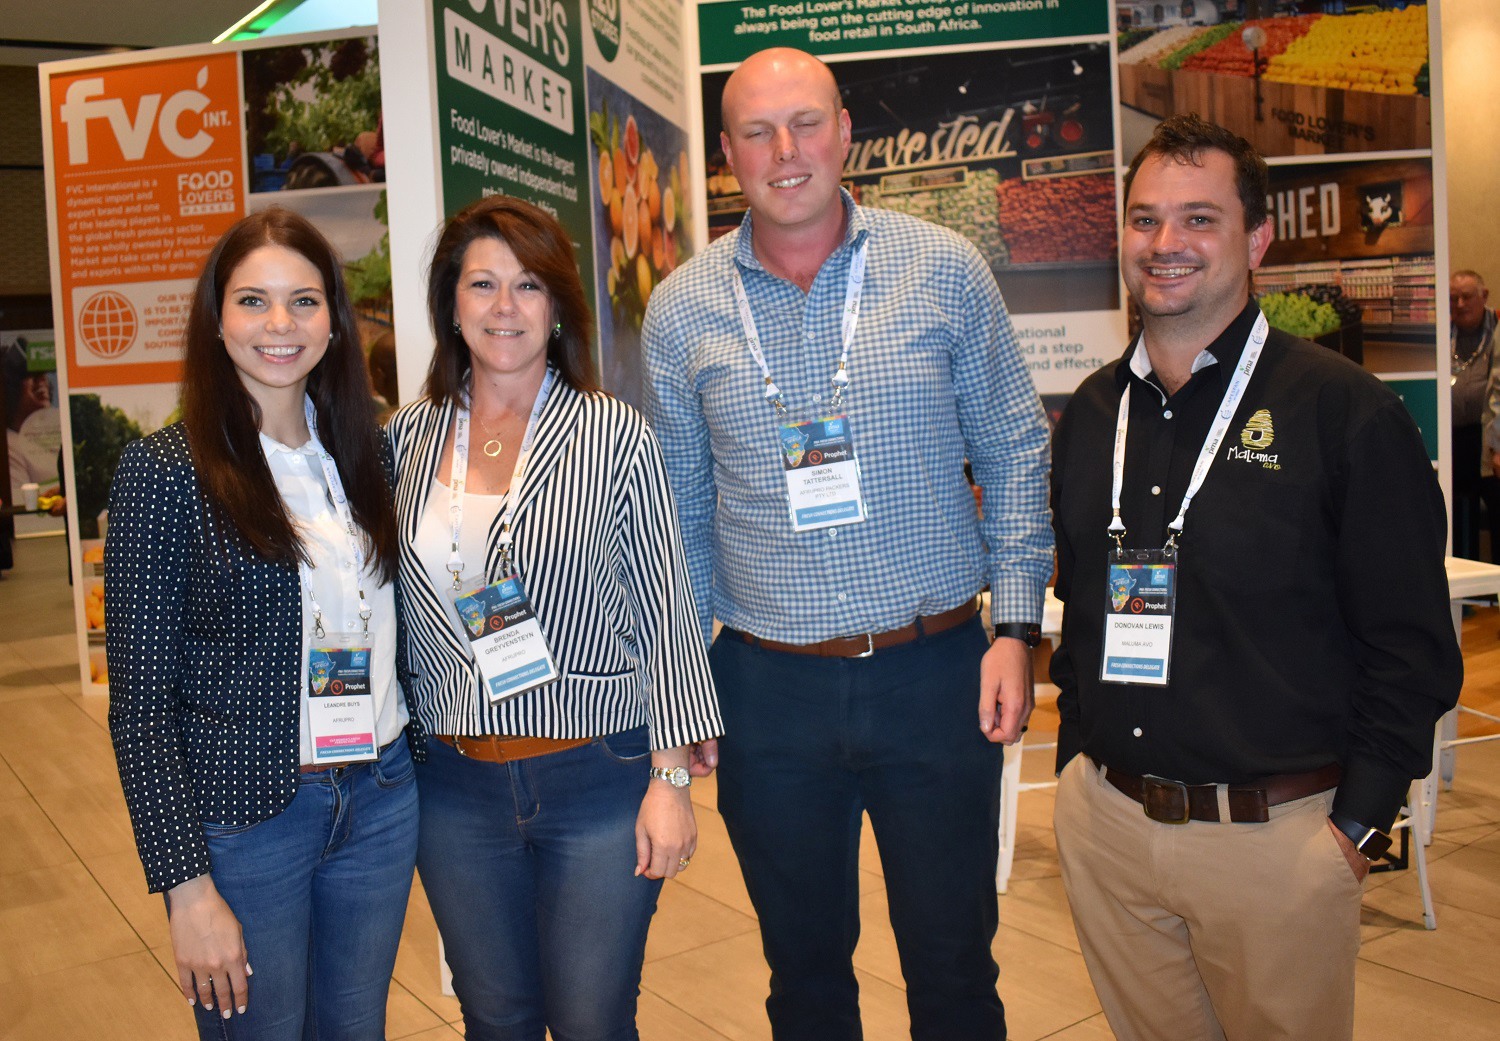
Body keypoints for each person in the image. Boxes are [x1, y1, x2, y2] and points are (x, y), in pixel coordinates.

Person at [641, 47, 1052, 1039]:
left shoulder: (942, 268)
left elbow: (1014, 443)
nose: (786, 151)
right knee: (805, 979)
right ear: (728, 156)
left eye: (807, 123)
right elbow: (680, 516)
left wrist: (1016, 628)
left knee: (956, 970)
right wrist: (683, 690)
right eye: (758, 132)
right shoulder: (682, 307)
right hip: (767, 692)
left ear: (845, 133)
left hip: (935, 674)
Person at [1048, 114, 1462, 1041]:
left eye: (1200, 219)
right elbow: (1084, 611)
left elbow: (1410, 647)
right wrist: (1078, 767)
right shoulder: (1094, 413)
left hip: (1277, 844)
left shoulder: (1343, 412)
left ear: (1259, 239)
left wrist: (1355, 830)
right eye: (1146, 219)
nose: (1166, 242)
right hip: (1110, 827)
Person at [388, 193, 722, 1040]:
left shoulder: (613, 434)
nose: (505, 306)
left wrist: (672, 781)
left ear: (557, 306)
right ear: (451, 305)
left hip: (597, 778)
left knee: (591, 1019)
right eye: (483, 284)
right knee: (495, 1018)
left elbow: (666, 610)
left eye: (528, 284)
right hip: (453, 785)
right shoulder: (406, 440)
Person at [104, 208, 418, 1039]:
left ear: (334, 320)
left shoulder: (368, 454)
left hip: (380, 796)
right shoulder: (165, 471)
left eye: (304, 301)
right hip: (250, 820)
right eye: (253, 301)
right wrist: (187, 888)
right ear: (217, 318)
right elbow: (140, 708)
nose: (281, 324)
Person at [1451, 269, 1499, 561]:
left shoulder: (1497, 329)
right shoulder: (1442, 332)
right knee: (1457, 515)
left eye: (1467, 297)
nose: (1460, 304)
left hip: (1490, 444)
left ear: (1484, 296)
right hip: (1454, 440)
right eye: (1453, 298)